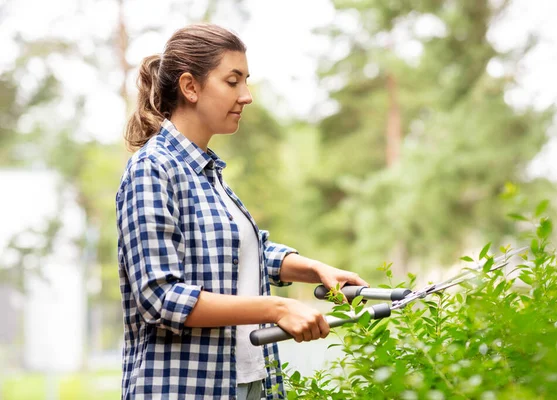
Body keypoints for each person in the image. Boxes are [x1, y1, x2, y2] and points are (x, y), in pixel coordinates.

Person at [115, 23, 369, 400]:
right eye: (233, 81)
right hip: (186, 389)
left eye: (245, 81)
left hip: (246, 383)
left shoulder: (208, 173)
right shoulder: (153, 169)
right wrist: (278, 307)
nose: (246, 96)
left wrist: (314, 269)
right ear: (190, 87)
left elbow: (243, 254)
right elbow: (161, 296)